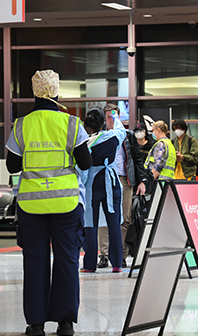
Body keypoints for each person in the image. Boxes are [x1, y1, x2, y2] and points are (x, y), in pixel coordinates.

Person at [5, 69, 92, 336]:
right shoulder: (71, 124)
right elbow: (86, 162)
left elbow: (12, 166)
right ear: (56, 92)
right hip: (66, 203)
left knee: (34, 262)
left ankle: (36, 324)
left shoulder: (21, 125)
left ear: (34, 92)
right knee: (67, 260)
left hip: (32, 206)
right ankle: (65, 323)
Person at [96, 104, 148, 269]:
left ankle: (120, 254)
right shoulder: (100, 135)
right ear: (104, 119)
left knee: (125, 218)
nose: (111, 120)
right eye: (108, 117)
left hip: (125, 179)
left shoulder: (127, 136)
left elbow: (137, 158)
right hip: (106, 180)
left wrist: (142, 181)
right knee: (104, 218)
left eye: (114, 116)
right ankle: (104, 255)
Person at [81, 107, 125, 273]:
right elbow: (121, 129)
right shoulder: (113, 136)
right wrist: (114, 116)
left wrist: (82, 187)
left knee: (90, 224)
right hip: (112, 183)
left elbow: (83, 170)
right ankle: (117, 264)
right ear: (102, 123)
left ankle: (90, 264)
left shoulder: (86, 143)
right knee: (114, 224)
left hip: (93, 186)